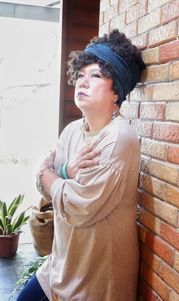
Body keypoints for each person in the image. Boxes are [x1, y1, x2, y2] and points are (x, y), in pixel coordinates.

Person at [17, 29, 146, 301]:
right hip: (61, 264)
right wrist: (63, 173)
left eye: (96, 75)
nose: (82, 82)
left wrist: (49, 173)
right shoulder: (72, 131)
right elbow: (43, 185)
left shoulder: (119, 139)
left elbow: (77, 207)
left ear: (116, 92)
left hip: (97, 276)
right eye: (81, 74)